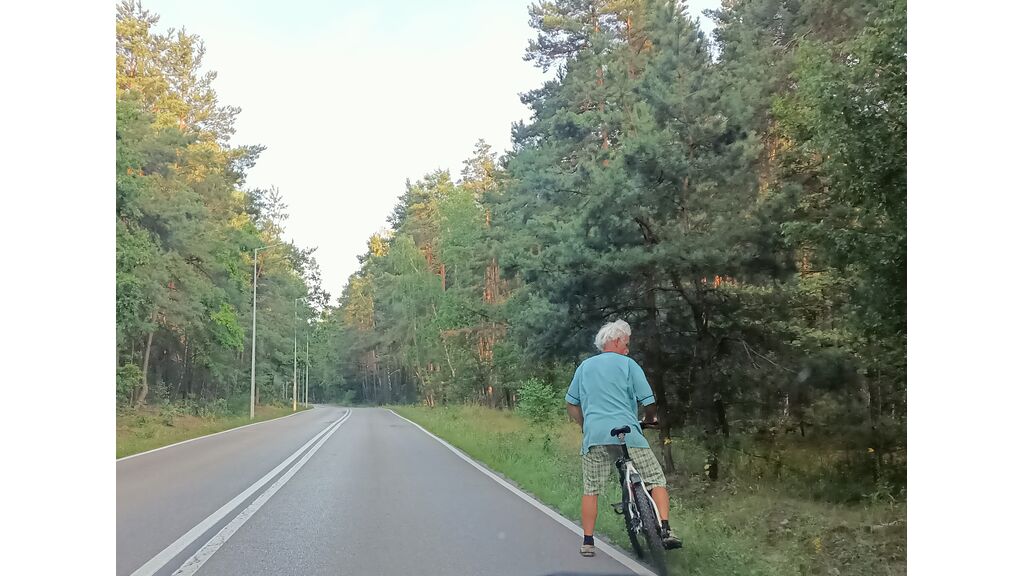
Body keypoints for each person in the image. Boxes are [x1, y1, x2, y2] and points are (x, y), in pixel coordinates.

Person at [565, 319, 682, 557]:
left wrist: (586, 426)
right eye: (626, 344)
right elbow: (648, 402)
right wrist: (650, 419)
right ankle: (666, 529)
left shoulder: (585, 367)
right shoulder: (628, 364)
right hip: (627, 432)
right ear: (616, 341)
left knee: (591, 488)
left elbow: (571, 403)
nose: (628, 349)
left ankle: (588, 542)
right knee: (655, 478)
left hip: (596, 435)